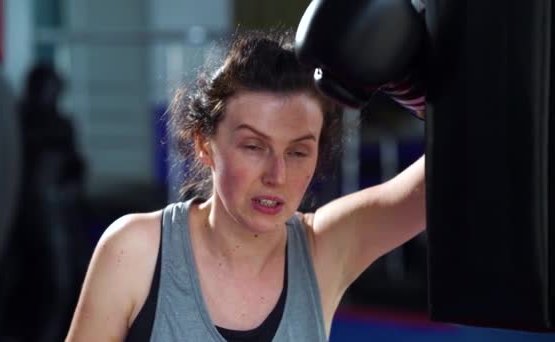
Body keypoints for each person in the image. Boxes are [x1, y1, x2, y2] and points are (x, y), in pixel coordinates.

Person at [66, 30, 425, 341]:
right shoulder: (136, 251)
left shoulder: (325, 249)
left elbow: (453, 168)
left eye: (298, 152)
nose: (277, 175)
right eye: (254, 147)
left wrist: (413, 79)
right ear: (205, 144)